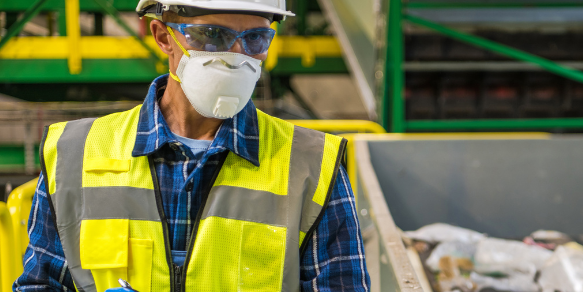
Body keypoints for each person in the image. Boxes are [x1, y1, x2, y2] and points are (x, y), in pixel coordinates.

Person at [13, 0, 370, 291]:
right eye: (211, 35)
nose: (235, 54)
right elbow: (41, 283)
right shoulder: (76, 154)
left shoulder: (310, 165)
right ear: (163, 36)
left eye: (256, 38)